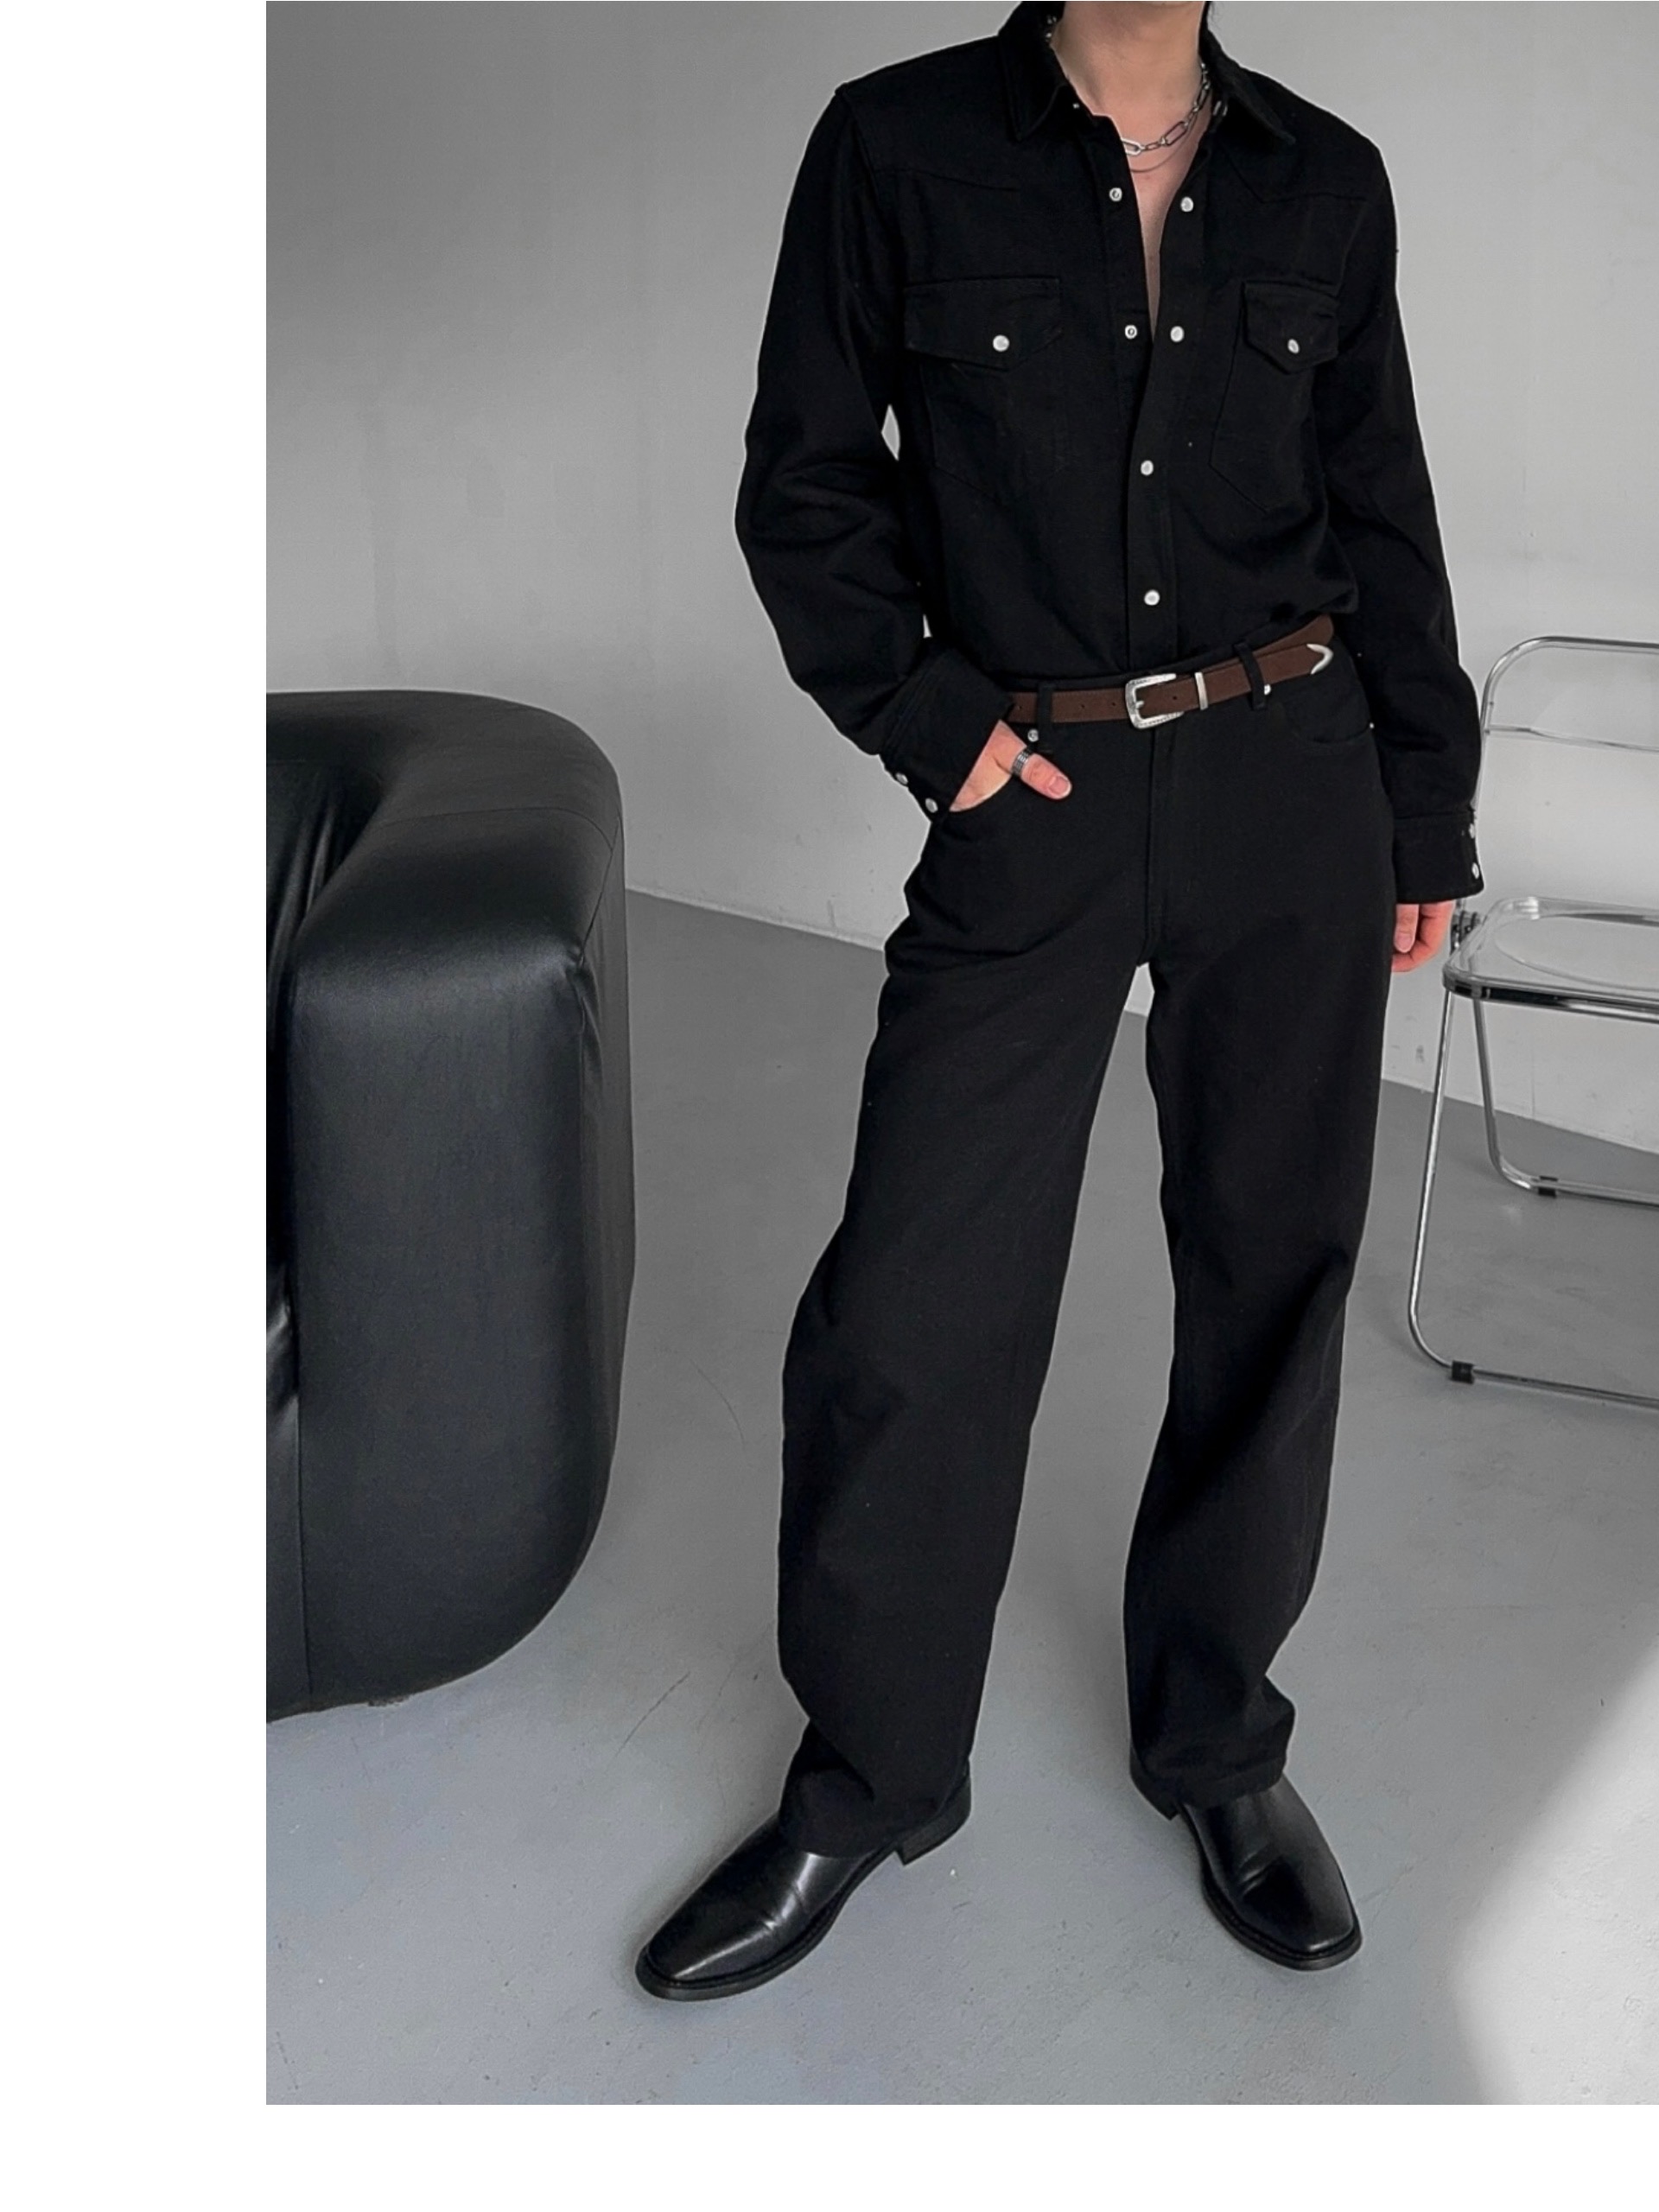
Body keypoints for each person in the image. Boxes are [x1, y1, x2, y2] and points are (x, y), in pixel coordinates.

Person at [635, 0, 1483, 2001]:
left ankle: (1219, 1741)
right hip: (1041, 790)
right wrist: (939, 729)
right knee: (913, 1301)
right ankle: (871, 1775)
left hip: (1293, 773)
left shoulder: (1326, 179)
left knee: (1273, 1268)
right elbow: (808, 481)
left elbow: (1383, 504)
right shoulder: (896, 144)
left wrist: (1423, 808)